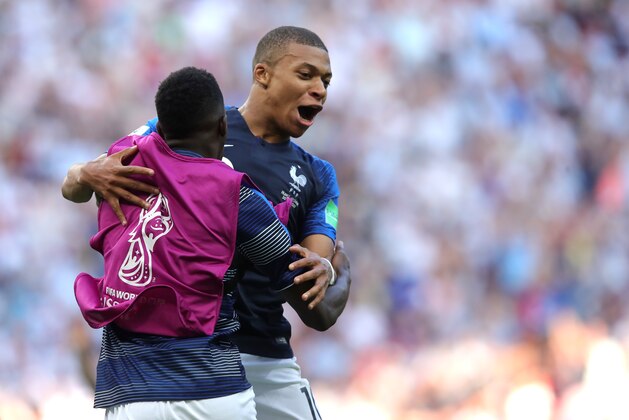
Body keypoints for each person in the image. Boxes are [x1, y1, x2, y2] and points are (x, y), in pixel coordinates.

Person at [62, 26, 352, 420]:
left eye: (326, 81)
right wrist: (84, 174)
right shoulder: (192, 126)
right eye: (306, 75)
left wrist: (330, 269)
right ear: (262, 74)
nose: (320, 89)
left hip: (262, 354)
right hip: (185, 352)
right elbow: (80, 181)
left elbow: (312, 285)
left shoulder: (318, 176)